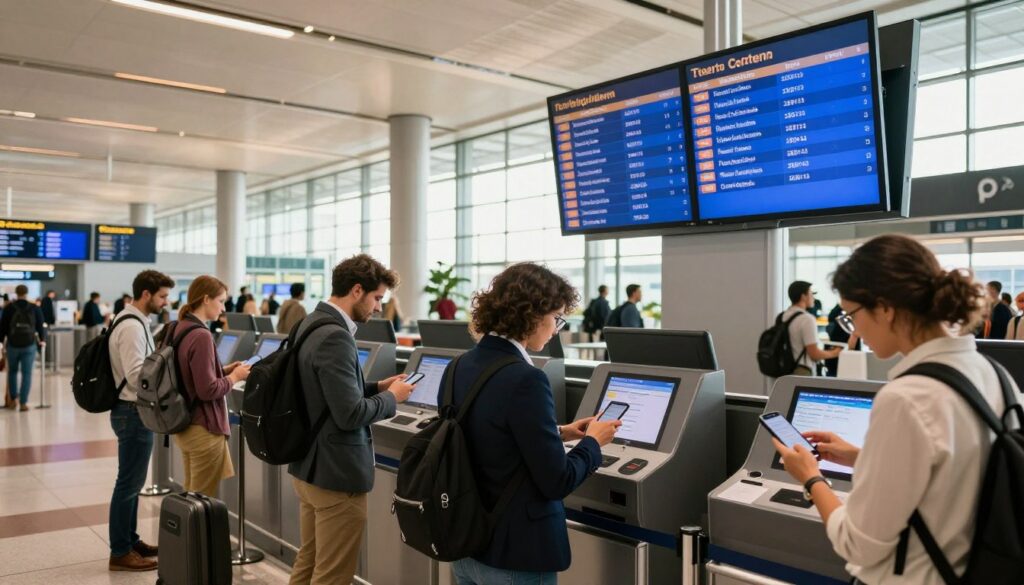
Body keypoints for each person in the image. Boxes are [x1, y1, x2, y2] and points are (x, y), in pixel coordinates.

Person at [773, 234, 1015, 585]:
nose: (855, 329)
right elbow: (957, 470)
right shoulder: (993, 373)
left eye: (853, 315)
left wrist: (810, 477)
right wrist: (862, 456)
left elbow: (857, 543)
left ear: (885, 307)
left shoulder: (906, 398)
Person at [447, 263, 620, 585]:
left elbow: (487, 434)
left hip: (466, 545)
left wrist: (559, 433)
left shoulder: (460, 365)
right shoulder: (526, 379)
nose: (557, 329)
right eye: (556, 318)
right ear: (531, 314)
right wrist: (592, 443)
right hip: (515, 554)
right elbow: (557, 481)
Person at [288, 254, 415, 585]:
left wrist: (376, 386)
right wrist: (393, 398)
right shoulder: (336, 336)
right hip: (335, 475)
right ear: (357, 290)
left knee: (309, 560)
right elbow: (350, 414)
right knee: (332, 575)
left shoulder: (310, 323)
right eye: (376, 298)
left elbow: (323, 391)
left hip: (308, 465)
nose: (377, 307)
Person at [107, 270, 175, 572]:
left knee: (132, 483)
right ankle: (120, 551)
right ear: (146, 294)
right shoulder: (133, 326)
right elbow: (137, 376)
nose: (165, 302)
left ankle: (130, 540)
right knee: (128, 484)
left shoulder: (131, 320)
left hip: (132, 412)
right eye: (162, 296)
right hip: (132, 412)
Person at [171, 276, 250, 497]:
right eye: (221, 301)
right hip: (203, 427)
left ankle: (191, 534)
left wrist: (223, 370)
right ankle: (200, 534)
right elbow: (207, 390)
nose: (223, 308)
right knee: (202, 502)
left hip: (185, 426)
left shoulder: (179, 328)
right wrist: (235, 376)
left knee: (191, 497)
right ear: (206, 299)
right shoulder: (202, 335)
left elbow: (190, 375)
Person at [780, 281, 845, 376]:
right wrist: (836, 352)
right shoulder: (807, 319)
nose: (814, 298)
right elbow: (814, 354)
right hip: (802, 371)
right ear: (803, 296)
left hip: (785, 370)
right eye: (811, 293)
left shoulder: (784, 316)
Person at [0, 284, 46, 411]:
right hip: (29, 344)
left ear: (16, 293)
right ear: (26, 293)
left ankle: (13, 399)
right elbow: (40, 326)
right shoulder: (34, 307)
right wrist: (42, 340)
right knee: (27, 374)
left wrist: (1, 342)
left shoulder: (9, 308)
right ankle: (23, 402)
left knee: (12, 372)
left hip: (12, 345)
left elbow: (2, 327)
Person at [824, 303, 862, 377]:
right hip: (845, 359)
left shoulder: (837, 311)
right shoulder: (846, 313)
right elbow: (852, 342)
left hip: (836, 359)